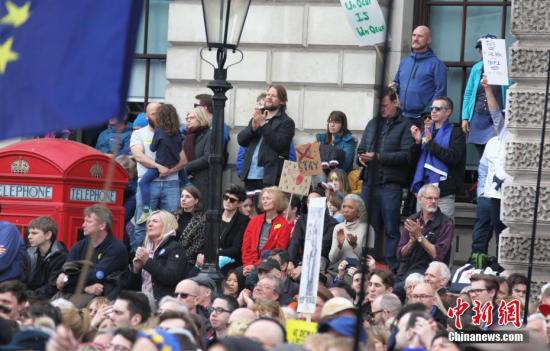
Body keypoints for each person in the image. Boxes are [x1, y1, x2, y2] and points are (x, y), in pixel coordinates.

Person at [357, 87, 414, 270]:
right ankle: (370, 264)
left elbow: (407, 156)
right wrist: (360, 158)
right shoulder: (373, 123)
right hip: (370, 182)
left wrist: (379, 157)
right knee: (370, 227)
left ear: (395, 103)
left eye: (385, 105)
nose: (382, 109)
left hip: (391, 184)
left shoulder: (405, 125)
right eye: (379, 106)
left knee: (391, 228)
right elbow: (361, 148)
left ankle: (392, 267)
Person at [131, 102, 185, 250]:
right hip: (149, 183)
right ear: (147, 116)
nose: (158, 117)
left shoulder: (174, 132)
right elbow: (139, 156)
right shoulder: (138, 134)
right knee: (143, 225)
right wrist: (158, 166)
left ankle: (164, 259)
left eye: (160, 113)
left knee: (170, 224)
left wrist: (168, 170)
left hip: (171, 183)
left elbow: (183, 160)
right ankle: (139, 261)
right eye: (154, 114)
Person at [55, 205, 128, 307]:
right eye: (84, 221)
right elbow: (65, 273)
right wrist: (85, 288)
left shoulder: (116, 248)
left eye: (88, 222)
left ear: (102, 226)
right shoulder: (79, 246)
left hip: (102, 300)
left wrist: (67, 280)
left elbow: (96, 276)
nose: (83, 225)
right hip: (73, 293)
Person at [470, 75, 508, 257]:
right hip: (494, 193)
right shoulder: (502, 134)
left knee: (508, 235)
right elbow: (494, 112)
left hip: (513, 194)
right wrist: (487, 89)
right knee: (495, 230)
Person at [411, 96, 466, 220]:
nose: (433, 111)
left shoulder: (456, 132)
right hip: (424, 192)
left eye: (438, 108)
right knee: (421, 231)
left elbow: (454, 158)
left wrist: (430, 144)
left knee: (444, 233)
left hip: (444, 193)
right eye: (432, 108)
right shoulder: (425, 132)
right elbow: (413, 161)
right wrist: (418, 142)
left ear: (448, 112)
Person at [137, 104, 188, 224]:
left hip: (160, 165)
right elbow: (180, 150)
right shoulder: (177, 133)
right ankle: (187, 183)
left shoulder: (159, 131)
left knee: (143, 182)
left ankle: (145, 211)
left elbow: (153, 148)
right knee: (170, 219)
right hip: (174, 166)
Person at [238, 85, 295, 190]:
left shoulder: (287, 122)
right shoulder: (258, 117)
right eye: (268, 94)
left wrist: (263, 124)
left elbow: (279, 144)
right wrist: (252, 129)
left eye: (273, 96)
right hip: (250, 175)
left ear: (282, 101)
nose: (269, 97)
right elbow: (241, 140)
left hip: (269, 177)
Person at [389, 25, 447, 124]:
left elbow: (440, 92)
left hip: (424, 119)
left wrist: (429, 114)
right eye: (414, 35)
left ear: (428, 40)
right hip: (402, 117)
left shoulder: (437, 64)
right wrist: (394, 87)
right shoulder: (404, 62)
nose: (415, 39)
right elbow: (397, 83)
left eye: (420, 36)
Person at [461, 34, 507, 157]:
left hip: (497, 117)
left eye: (485, 48)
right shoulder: (477, 68)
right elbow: (469, 93)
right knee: (482, 155)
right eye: (480, 49)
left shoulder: (504, 68)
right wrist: (465, 117)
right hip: (479, 115)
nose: (482, 52)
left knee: (496, 152)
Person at [396, 185, 453, 280]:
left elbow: (438, 256)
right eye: (430, 198)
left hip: (431, 274)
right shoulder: (412, 220)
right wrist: (411, 242)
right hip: (406, 272)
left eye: (436, 198)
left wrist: (419, 237)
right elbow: (400, 255)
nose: (434, 201)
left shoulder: (446, 223)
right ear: (419, 199)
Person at [128, 210, 188, 301]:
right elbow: (133, 287)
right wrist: (135, 270)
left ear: (167, 224)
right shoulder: (145, 248)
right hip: (143, 301)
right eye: (149, 222)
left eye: (155, 221)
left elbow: (171, 277)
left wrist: (147, 261)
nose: (150, 224)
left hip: (164, 303)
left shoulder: (175, 248)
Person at [241, 187, 292, 274]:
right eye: (263, 198)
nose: (264, 201)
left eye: (268, 198)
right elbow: (246, 246)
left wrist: (255, 266)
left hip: (269, 266)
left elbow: (278, 251)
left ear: (277, 201)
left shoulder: (284, 225)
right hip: (249, 264)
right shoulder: (254, 221)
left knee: (251, 279)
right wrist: (247, 265)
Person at [288, 189, 338, 266]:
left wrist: (303, 267)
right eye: (309, 201)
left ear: (323, 203)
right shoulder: (302, 220)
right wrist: (290, 261)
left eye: (315, 200)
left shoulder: (332, 223)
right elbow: (295, 242)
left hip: (321, 259)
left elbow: (323, 247)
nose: (311, 203)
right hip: (302, 258)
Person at [25, 216, 68, 299]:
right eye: (29, 233)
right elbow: (22, 278)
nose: (29, 236)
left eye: (34, 233)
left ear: (48, 235)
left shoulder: (61, 255)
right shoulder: (29, 252)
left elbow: (52, 287)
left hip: (47, 300)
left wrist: (30, 298)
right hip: (29, 296)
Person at [328, 194, 372, 267]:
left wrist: (354, 245)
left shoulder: (367, 228)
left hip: (357, 269)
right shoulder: (338, 227)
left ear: (358, 211)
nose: (346, 210)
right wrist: (339, 245)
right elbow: (332, 259)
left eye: (350, 207)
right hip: (338, 269)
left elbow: (368, 260)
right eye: (344, 207)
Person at [182, 107, 213, 202]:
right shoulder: (186, 136)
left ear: (201, 118)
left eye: (192, 118)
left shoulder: (209, 134)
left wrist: (186, 168)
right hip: (185, 180)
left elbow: (208, 158)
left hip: (200, 180)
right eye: (187, 119)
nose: (188, 120)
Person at [219, 185, 250, 273]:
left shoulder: (243, 221)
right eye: (225, 197)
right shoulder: (215, 215)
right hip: (208, 257)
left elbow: (236, 249)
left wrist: (217, 252)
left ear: (239, 203)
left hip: (230, 261)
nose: (227, 201)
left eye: (232, 200)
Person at [176, 186, 207, 269]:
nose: (183, 199)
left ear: (196, 201)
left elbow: (197, 245)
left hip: (187, 261)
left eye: (187, 196)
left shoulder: (201, 220)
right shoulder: (174, 216)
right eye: (182, 196)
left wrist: (179, 257)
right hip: (170, 256)